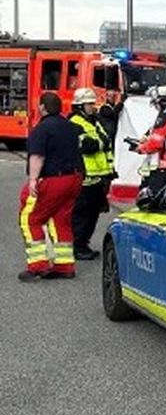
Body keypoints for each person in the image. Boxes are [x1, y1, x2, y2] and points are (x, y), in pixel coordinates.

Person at [18, 93, 84, 281]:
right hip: (74, 178)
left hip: (53, 179)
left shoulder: (42, 129)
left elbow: (37, 156)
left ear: (42, 108)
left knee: (30, 218)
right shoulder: (71, 127)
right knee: (60, 220)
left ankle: (37, 265)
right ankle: (64, 266)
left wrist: (33, 180)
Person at [68, 88, 115, 261]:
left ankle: (83, 243)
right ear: (80, 105)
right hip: (86, 178)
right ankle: (77, 245)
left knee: (93, 213)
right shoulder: (74, 122)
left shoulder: (94, 122)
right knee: (82, 214)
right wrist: (100, 142)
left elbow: (105, 140)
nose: (93, 107)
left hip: (100, 177)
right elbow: (88, 146)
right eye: (89, 104)